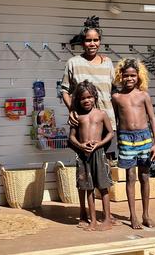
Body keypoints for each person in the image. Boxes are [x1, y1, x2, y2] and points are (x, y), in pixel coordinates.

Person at [61, 16, 117, 227]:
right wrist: (72, 111)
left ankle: (106, 215)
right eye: (87, 40)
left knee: (102, 173)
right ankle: (84, 212)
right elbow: (65, 91)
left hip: (105, 125)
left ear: (100, 41)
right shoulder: (73, 63)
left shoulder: (109, 63)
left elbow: (115, 92)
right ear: (82, 42)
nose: (91, 44)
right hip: (81, 125)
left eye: (95, 40)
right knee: (83, 172)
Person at [111, 59, 155, 229]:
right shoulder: (116, 97)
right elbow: (116, 119)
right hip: (125, 139)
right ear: (120, 76)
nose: (129, 78)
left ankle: (146, 214)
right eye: (126, 75)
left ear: (139, 76)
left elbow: (152, 118)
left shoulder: (143, 95)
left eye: (133, 75)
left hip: (144, 138)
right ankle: (133, 216)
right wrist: (116, 139)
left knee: (144, 176)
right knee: (130, 177)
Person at [68, 81, 114, 231]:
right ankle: (92, 220)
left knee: (104, 187)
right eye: (82, 98)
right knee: (88, 187)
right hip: (83, 155)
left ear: (95, 97)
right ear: (78, 100)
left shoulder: (101, 114)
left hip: (99, 154)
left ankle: (107, 219)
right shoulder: (77, 117)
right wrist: (80, 146)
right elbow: (72, 137)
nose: (86, 100)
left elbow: (110, 133)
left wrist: (99, 144)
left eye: (89, 97)